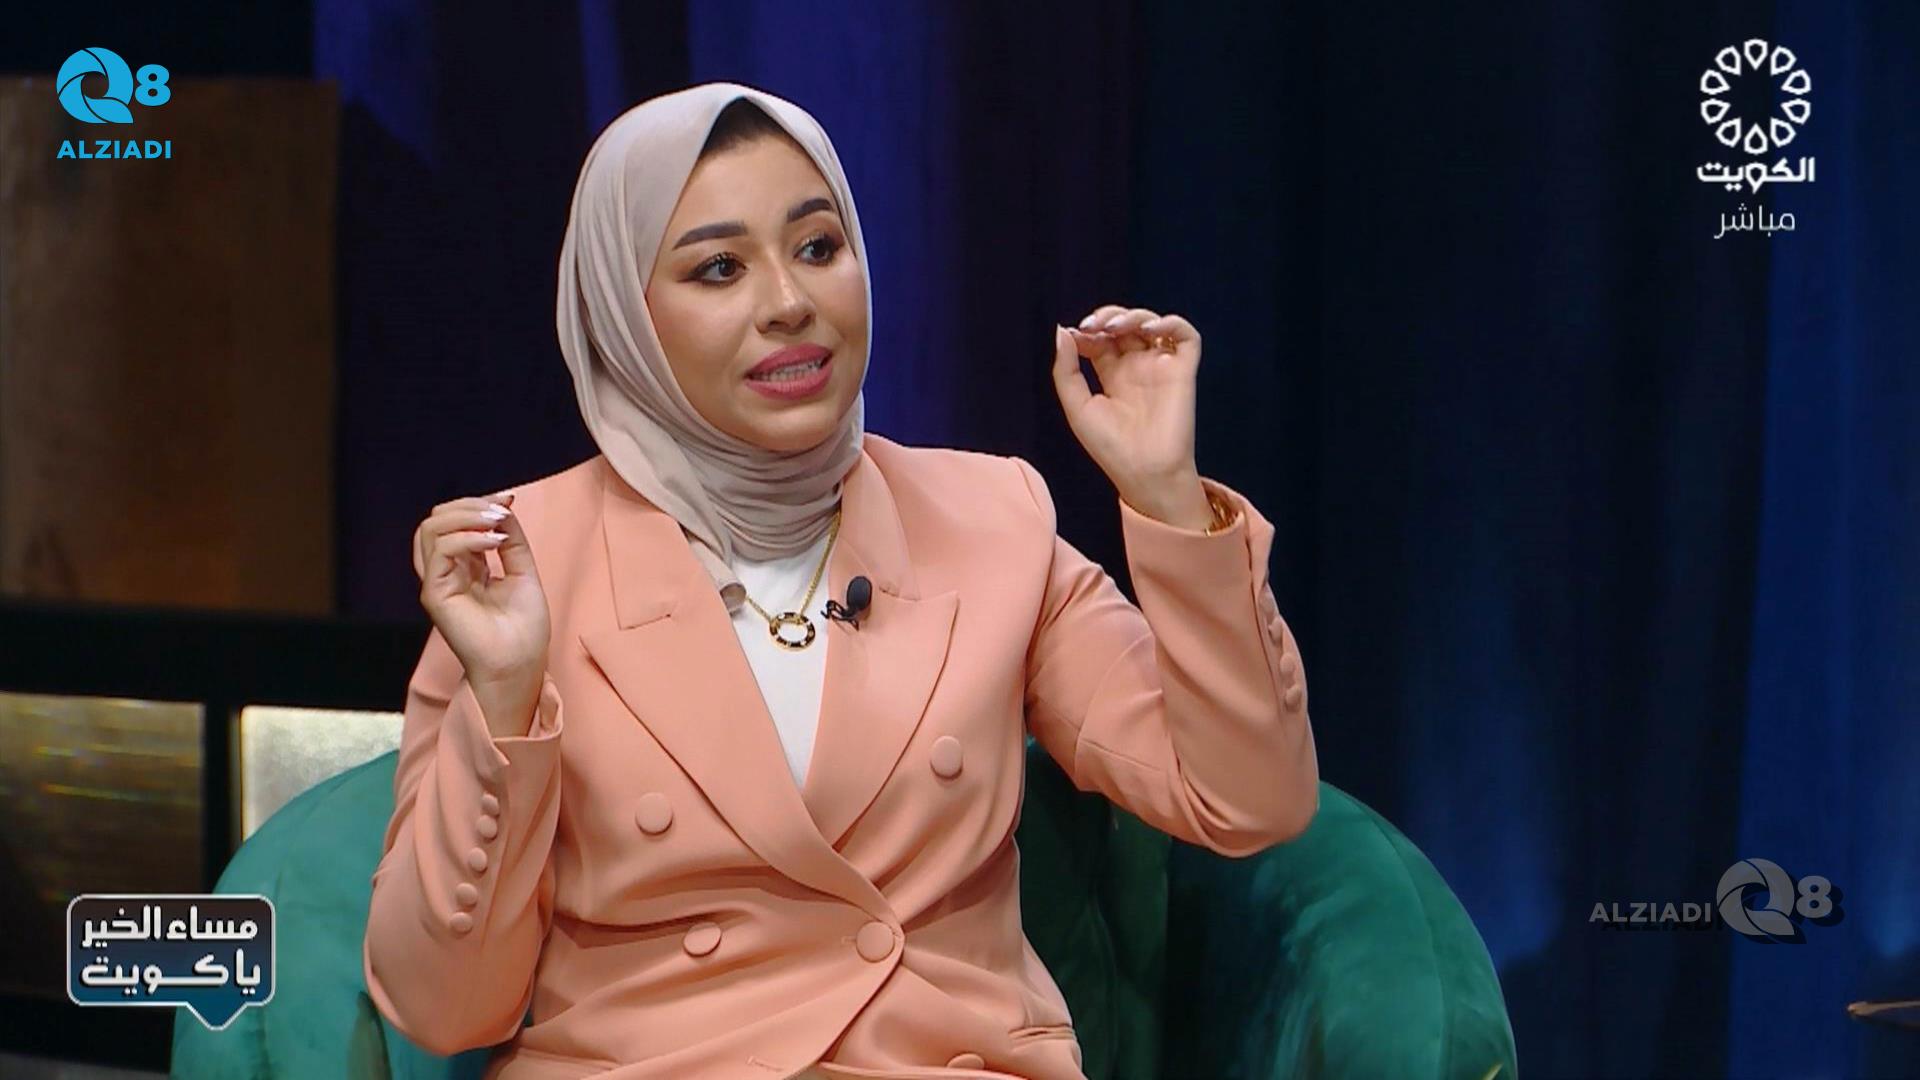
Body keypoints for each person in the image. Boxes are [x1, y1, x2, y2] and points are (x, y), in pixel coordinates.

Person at [362, 81, 1318, 1080]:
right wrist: (505, 700)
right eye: (720, 268)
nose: (790, 303)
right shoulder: (517, 566)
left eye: (819, 247)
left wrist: (1167, 498)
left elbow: (1247, 799)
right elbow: (443, 1009)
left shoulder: (993, 522)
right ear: (624, 315)